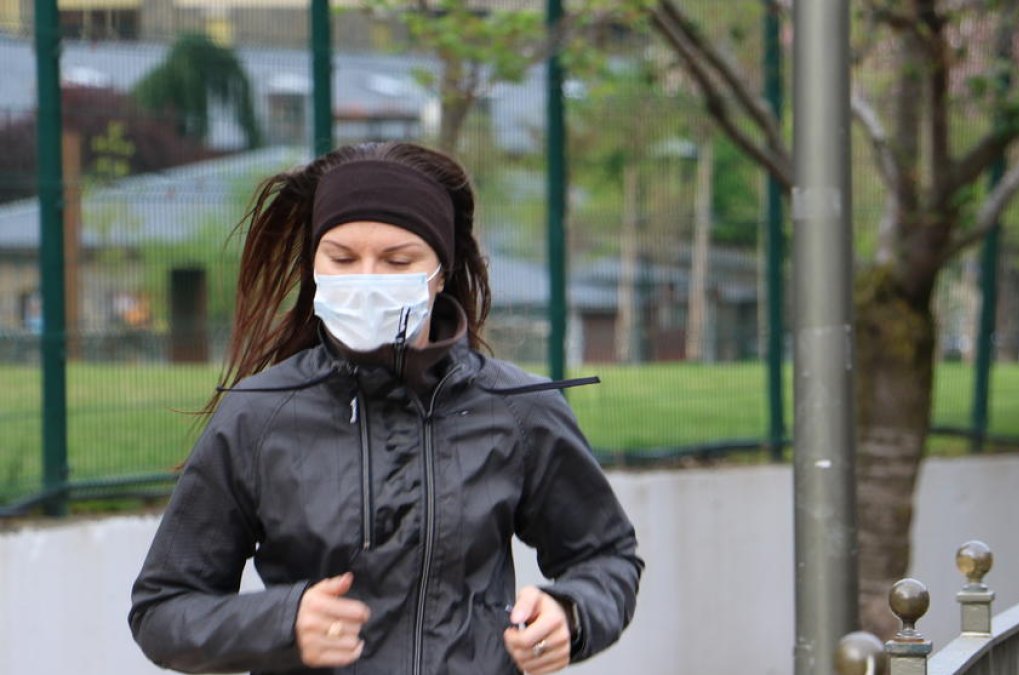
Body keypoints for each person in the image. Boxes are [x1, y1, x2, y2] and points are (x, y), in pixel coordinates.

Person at [129, 141, 643, 675]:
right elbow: (162, 610)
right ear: (314, 266)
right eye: (342, 258)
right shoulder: (258, 416)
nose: (366, 279)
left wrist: (571, 613)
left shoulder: (520, 410)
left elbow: (606, 557)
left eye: (397, 261)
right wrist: (282, 623)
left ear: (440, 272)